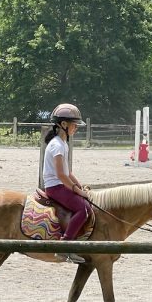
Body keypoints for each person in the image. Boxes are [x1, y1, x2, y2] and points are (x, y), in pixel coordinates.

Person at [42, 103, 90, 264]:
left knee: (87, 206)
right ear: (63, 125)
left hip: (60, 184)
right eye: (74, 125)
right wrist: (77, 190)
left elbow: (68, 172)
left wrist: (79, 185)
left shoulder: (63, 144)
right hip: (55, 187)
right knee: (82, 210)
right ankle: (65, 245)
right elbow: (61, 175)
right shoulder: (57, 145)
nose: (75, 128)